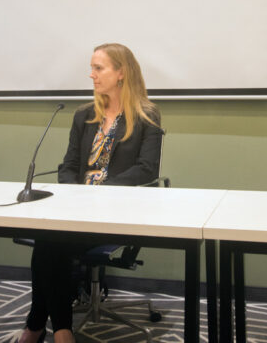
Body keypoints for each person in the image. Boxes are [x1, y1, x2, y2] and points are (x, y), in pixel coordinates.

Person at [18, 43, 163, 343]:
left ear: (121, 73)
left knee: (48, 242)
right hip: (76, 208)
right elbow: (69, 165)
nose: (91, 74)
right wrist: (74, 195)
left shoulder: (147, 115)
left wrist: (100, 194)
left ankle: (38, 327)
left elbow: (147, 169)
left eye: (99, 68)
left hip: (117, 210)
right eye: (92, 67)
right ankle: (60, 331)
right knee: (49, 239)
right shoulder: (84, 115)